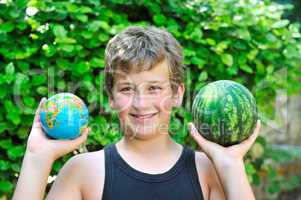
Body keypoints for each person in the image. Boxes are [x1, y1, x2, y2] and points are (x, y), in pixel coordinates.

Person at [13, 26, 260, 200]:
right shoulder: (83, 171)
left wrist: (231, 165)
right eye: (127, 89)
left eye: (154, 88)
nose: (141, 103)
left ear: (177, 94)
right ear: (110, 97)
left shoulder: (208, 170)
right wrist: (37, 158)